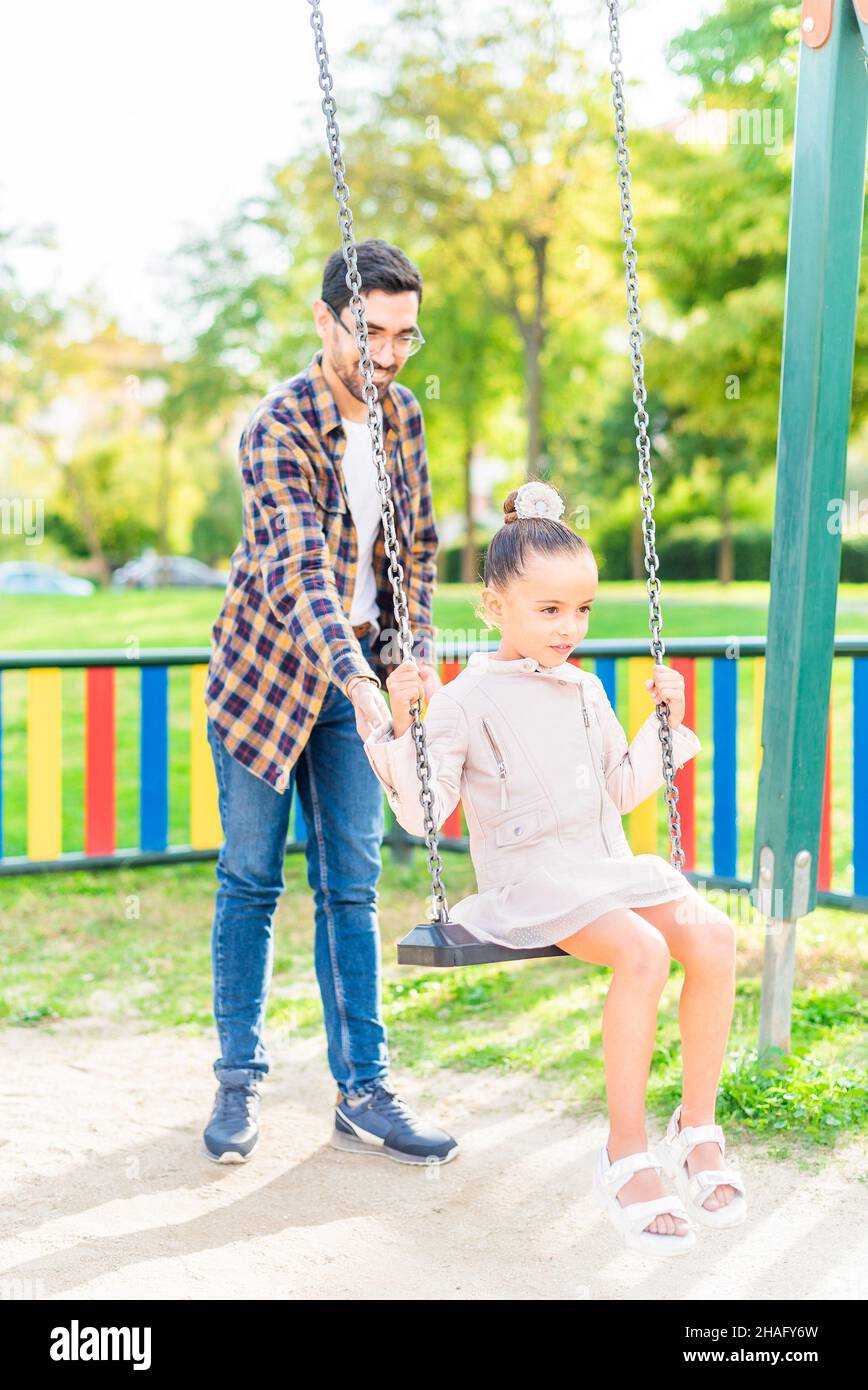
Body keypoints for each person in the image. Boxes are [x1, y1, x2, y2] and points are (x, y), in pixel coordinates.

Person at [363, 479, 747, 1255]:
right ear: (493, 607)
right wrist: (404, 720)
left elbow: (618, 792)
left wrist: (663, 726)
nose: (569, 628)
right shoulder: (465, 698)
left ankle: (697, 1130)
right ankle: (626, 1153)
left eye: (581, 610)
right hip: (530, 882)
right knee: (642, 952)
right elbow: (423, 816)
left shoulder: (584, 689)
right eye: (549, 610)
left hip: (601, 868)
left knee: (713, 938)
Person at [202, 238, 458, 1167]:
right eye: (369, 331)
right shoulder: (276, 426)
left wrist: (413, 653)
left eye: (403, 335)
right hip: (268, 682)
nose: (386, 354)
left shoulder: (407, 419)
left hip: (359, 689)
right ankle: (239, 1078)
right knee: (252, 879)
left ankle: (363, 1089)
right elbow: (303, 573)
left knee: (350, 883)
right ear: (326, 321)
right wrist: (357, 673)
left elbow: (418, 551)